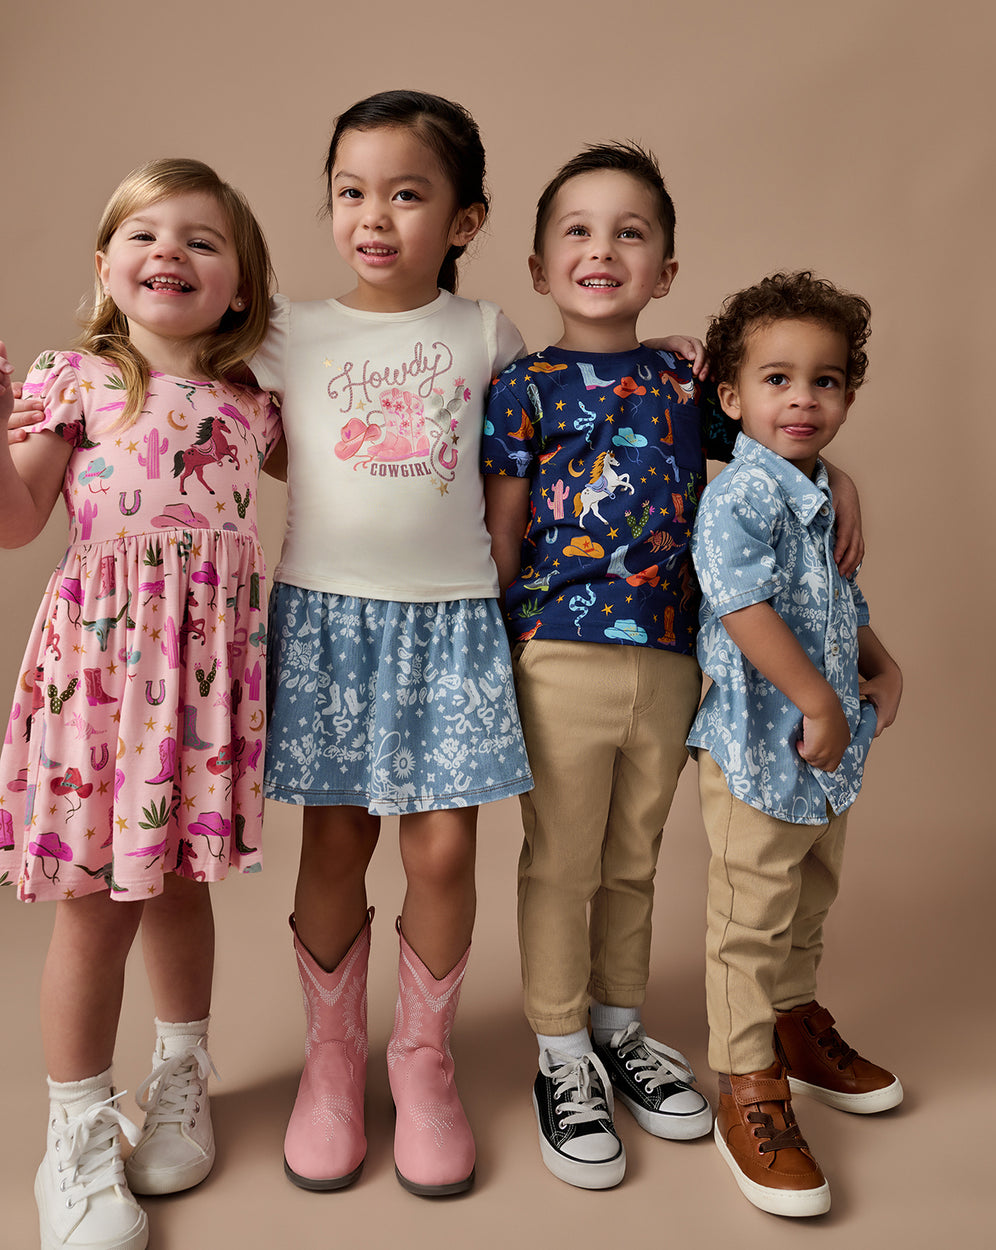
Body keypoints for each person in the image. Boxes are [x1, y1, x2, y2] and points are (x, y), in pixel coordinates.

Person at [482, 146, 864, 1191]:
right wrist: (493, 641)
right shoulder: (522, 387)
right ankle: (560, 1052)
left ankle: (618, 1025)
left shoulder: (684, 380)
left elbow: (772, 446)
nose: (601, 249)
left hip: (670, 657)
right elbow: (503, 530)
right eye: (577, 230)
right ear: (536, 262)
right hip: (555, 653)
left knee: (634, 855)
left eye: (629, 231)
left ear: (666, 266)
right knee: (560, 857)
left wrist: (847, 481)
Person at [248, 89, 536, 1199]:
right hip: (330, 619)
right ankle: (333, 1060)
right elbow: (197, 390)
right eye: (352, 191)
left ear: (462, 221)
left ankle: (422, 1059)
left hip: (452, 622)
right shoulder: (290, 332)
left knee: (444, 851)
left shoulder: (484, 331)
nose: (375, 215)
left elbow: (541, 439)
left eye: (407, 194)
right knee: (335, 845)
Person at [0, 158, 279, 1250]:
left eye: (204, 241)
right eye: (146, 235)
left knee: (177, 881)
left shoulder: (257, 405)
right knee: (95, 904)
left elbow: (379, 473)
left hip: (203, 686)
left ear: (242, 288)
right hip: (104, 677)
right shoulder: (73, 380)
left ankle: (180, 1072)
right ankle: (72, 1129)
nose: (172, 252)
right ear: (108, 270)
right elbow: (20, 517)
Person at [686, 271, 903, 1218]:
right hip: (758, 747)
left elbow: (834, 603)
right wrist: (819, 701)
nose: (802, 399)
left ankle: (795, 1023)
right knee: (751, 912)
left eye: (823, 381)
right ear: (732, 397)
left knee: (811, 891)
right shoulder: (739, 498)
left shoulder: (820, 494)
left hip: (824, 754)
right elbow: (745, 609)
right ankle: (744, 1081)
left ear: (847, 396)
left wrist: (879, 664)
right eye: (777, 380)